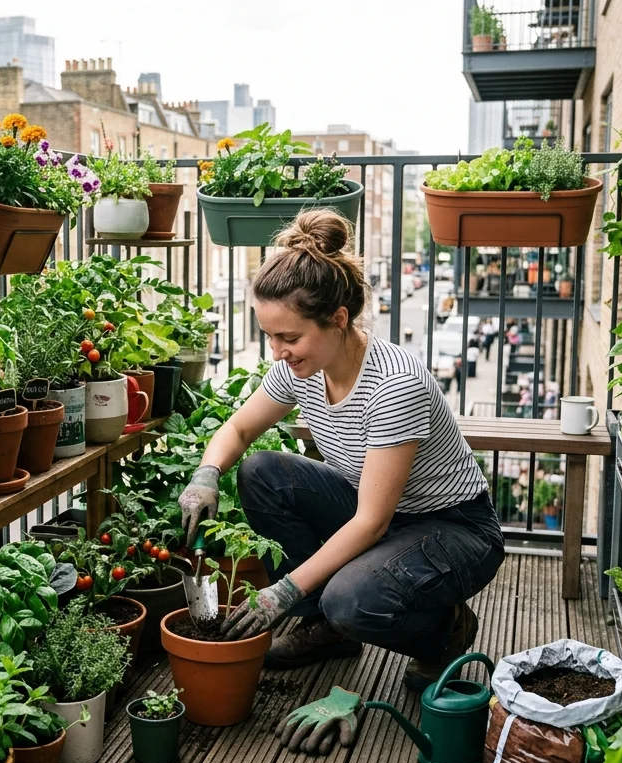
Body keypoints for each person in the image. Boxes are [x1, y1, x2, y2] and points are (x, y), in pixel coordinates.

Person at [177, 210, 505, 694]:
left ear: (338, 319)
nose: (277, 352)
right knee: (261, 471)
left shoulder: (394, 385)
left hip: (451, 528)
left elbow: (370, 522)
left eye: (289, 337)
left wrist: (284, 590)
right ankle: (326, 632)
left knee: (351, 600)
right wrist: (206, 474)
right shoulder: (300, 368)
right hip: (379, 514)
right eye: (269, 336)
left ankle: (444, 632)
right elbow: (240, 429)